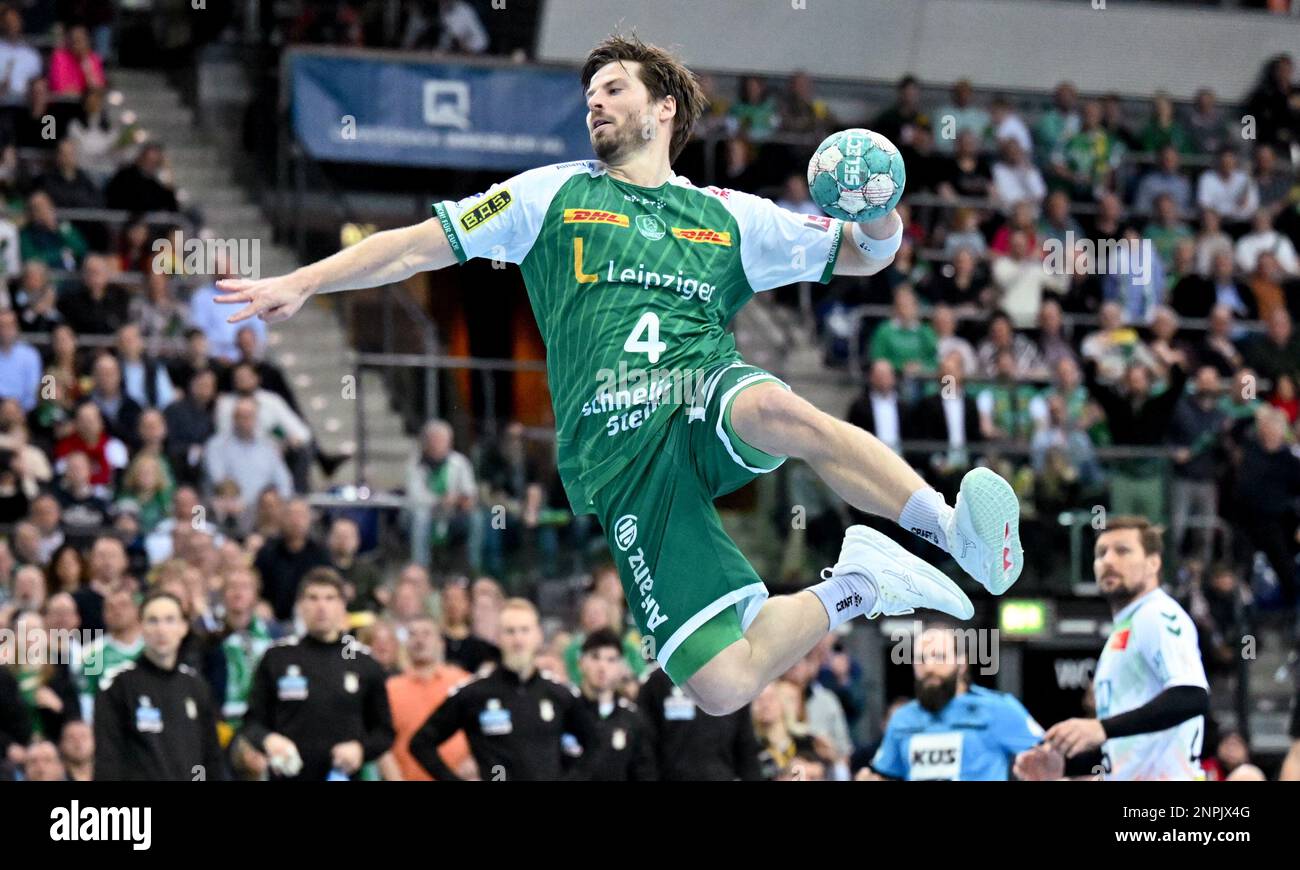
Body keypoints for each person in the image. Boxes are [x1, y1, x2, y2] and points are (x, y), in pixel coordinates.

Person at [215, 34, 1023, 716]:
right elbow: (412, 245)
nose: (593, 102)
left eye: (612, 88)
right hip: (616, 457)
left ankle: (952, 530)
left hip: (698, 388)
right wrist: (306, 278)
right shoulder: (548, 194)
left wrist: (880, 206)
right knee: (721, 685)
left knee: (784, 415)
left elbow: (865, 255)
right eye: (589, 93)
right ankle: (860, 583)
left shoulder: (731, 216)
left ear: (663, 106)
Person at [1015, 517, 1209, 781]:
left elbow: (1192, 696)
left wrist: (1100, 728)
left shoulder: (1157, 614)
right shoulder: (1123, 631)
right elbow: (1128, 762)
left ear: (1153, 562)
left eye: (1123, 551)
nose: (1108, 560)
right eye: (1101, 553)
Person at [408, 598, 596, 781]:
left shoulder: (559, 694)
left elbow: (597, 743)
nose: (518, 639)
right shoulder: (475, 693)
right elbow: (421, 743)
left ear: (538, 635)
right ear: (498, 637)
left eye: (524, 630)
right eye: (510, 631)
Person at [239, 568, 394, 781]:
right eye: (313, 598)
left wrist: (360, 749)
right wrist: (269, 740)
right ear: (300, 606)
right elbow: (252, 723)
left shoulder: (364, 662)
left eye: (330, 598)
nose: (321, 607)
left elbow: (384, 732)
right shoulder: (277, 656)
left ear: (342, 606)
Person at [869, 626, 1043, 780]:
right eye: (921, 658)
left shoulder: (998, 709)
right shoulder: (902, 718)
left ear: (962, 663)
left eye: (939, 657)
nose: (929, 667)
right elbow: (886, 774)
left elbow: (1048, 756)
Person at [92, 591, 225, 781]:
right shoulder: (118, 686)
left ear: (183, 628)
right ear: (141, 628)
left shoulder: (196, 687)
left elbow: (210, 758)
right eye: (153, 621)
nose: (161, 629)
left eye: (170, 620)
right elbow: (108, 760)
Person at [379, 615, 471, 781]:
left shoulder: (464, 682)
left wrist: (474, 763)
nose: (420, 640)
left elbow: (483, 734)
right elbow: (382, 742)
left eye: (427, 634)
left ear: (441, 642)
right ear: (405, 644)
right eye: (413, 635)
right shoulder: (389, 689)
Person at [570, 628, 656, 781]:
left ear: (621, 667)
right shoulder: (565, 711)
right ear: (581, 662)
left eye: (611, 659)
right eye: (595, 657)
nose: (602, 667)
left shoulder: (633, 720)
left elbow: (644, 771)